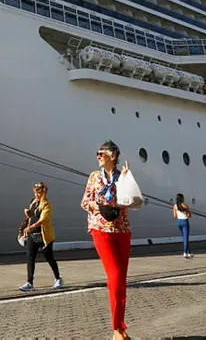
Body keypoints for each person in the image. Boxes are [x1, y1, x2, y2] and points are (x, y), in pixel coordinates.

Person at [82, 140, 139, 340]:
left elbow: (132, 202)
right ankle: (116, 328)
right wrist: (99, 207)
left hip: (122, 229)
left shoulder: (121, 175)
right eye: (97, 153)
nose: (98, 156)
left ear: (112, 156)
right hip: (100, 228)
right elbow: (84, 201)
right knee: (114, 274)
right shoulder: (94, 177)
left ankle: (120, 329)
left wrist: (127, 181)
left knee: (121, 280)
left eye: (101, 153)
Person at [19, 181, 63, 290]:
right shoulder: (33, 202)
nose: (37, 195)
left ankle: (58, 278)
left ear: (44, 193)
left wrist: (31, 226)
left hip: (44, 235)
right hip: (32, 235)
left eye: (39, 193)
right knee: (30, 258)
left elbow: (43, 219)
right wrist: (28, 215)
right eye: (35, 192)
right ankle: (29, 282)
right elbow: (32, 216)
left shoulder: (46, 204)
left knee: (49, 257)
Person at [173, 193, 192, 258]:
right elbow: (189, 215)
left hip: (179, 222)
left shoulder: (175, 206)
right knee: (186, 238)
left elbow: (175, 216)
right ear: (182, 198)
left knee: (184, 238)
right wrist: (187, 213)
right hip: (185, 222)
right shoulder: (185, 206)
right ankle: (185, 252)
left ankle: (189, 252)